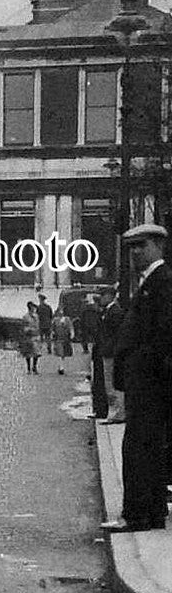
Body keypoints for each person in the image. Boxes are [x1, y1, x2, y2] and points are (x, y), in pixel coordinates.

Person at [102, 224, 172, 533]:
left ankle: (139, 515)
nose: (135, 252)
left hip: (150, 384)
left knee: (139, 449)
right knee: (147, 448)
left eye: (141, 245)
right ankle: (151, 512)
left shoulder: (162, 283)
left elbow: (161, 337)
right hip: (147, 383)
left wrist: (140, 370)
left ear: (159, 246)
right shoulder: (150, 282)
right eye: (131, 247)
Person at [94, 287, 125, 423]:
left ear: (110, 296)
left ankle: (118, 413)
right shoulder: (110, 310)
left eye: (102, 295)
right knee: (109, 382)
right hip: (108, 351)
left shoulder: (115, 312)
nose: (100, 298)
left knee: (111, 382)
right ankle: (115, 412)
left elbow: (115, 334)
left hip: (111, 352)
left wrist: (108, 347)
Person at [20, 301, 41, 374]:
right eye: (32, 307)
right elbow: (24, 327)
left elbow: (38, 325)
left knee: (36, 353)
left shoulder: (36, 316)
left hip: (36, 336)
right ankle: (28, 368)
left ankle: (34, 367)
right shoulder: (26, 317)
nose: (33, 309)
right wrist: (28, 330)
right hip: (29, 336)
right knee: (28, 354)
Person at [52, 308, 74, 375]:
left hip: (66, 338)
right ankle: (61, 367)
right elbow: (53, 328)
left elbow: (71, 327)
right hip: (58, 338)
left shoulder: (67, 319)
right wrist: (52, 333)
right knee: (60, 353)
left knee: (64, 354)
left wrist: (72, 334)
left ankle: (61, 366)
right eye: (59, 312)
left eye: (62, 312)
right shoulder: (55, 320)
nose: (60, 313)